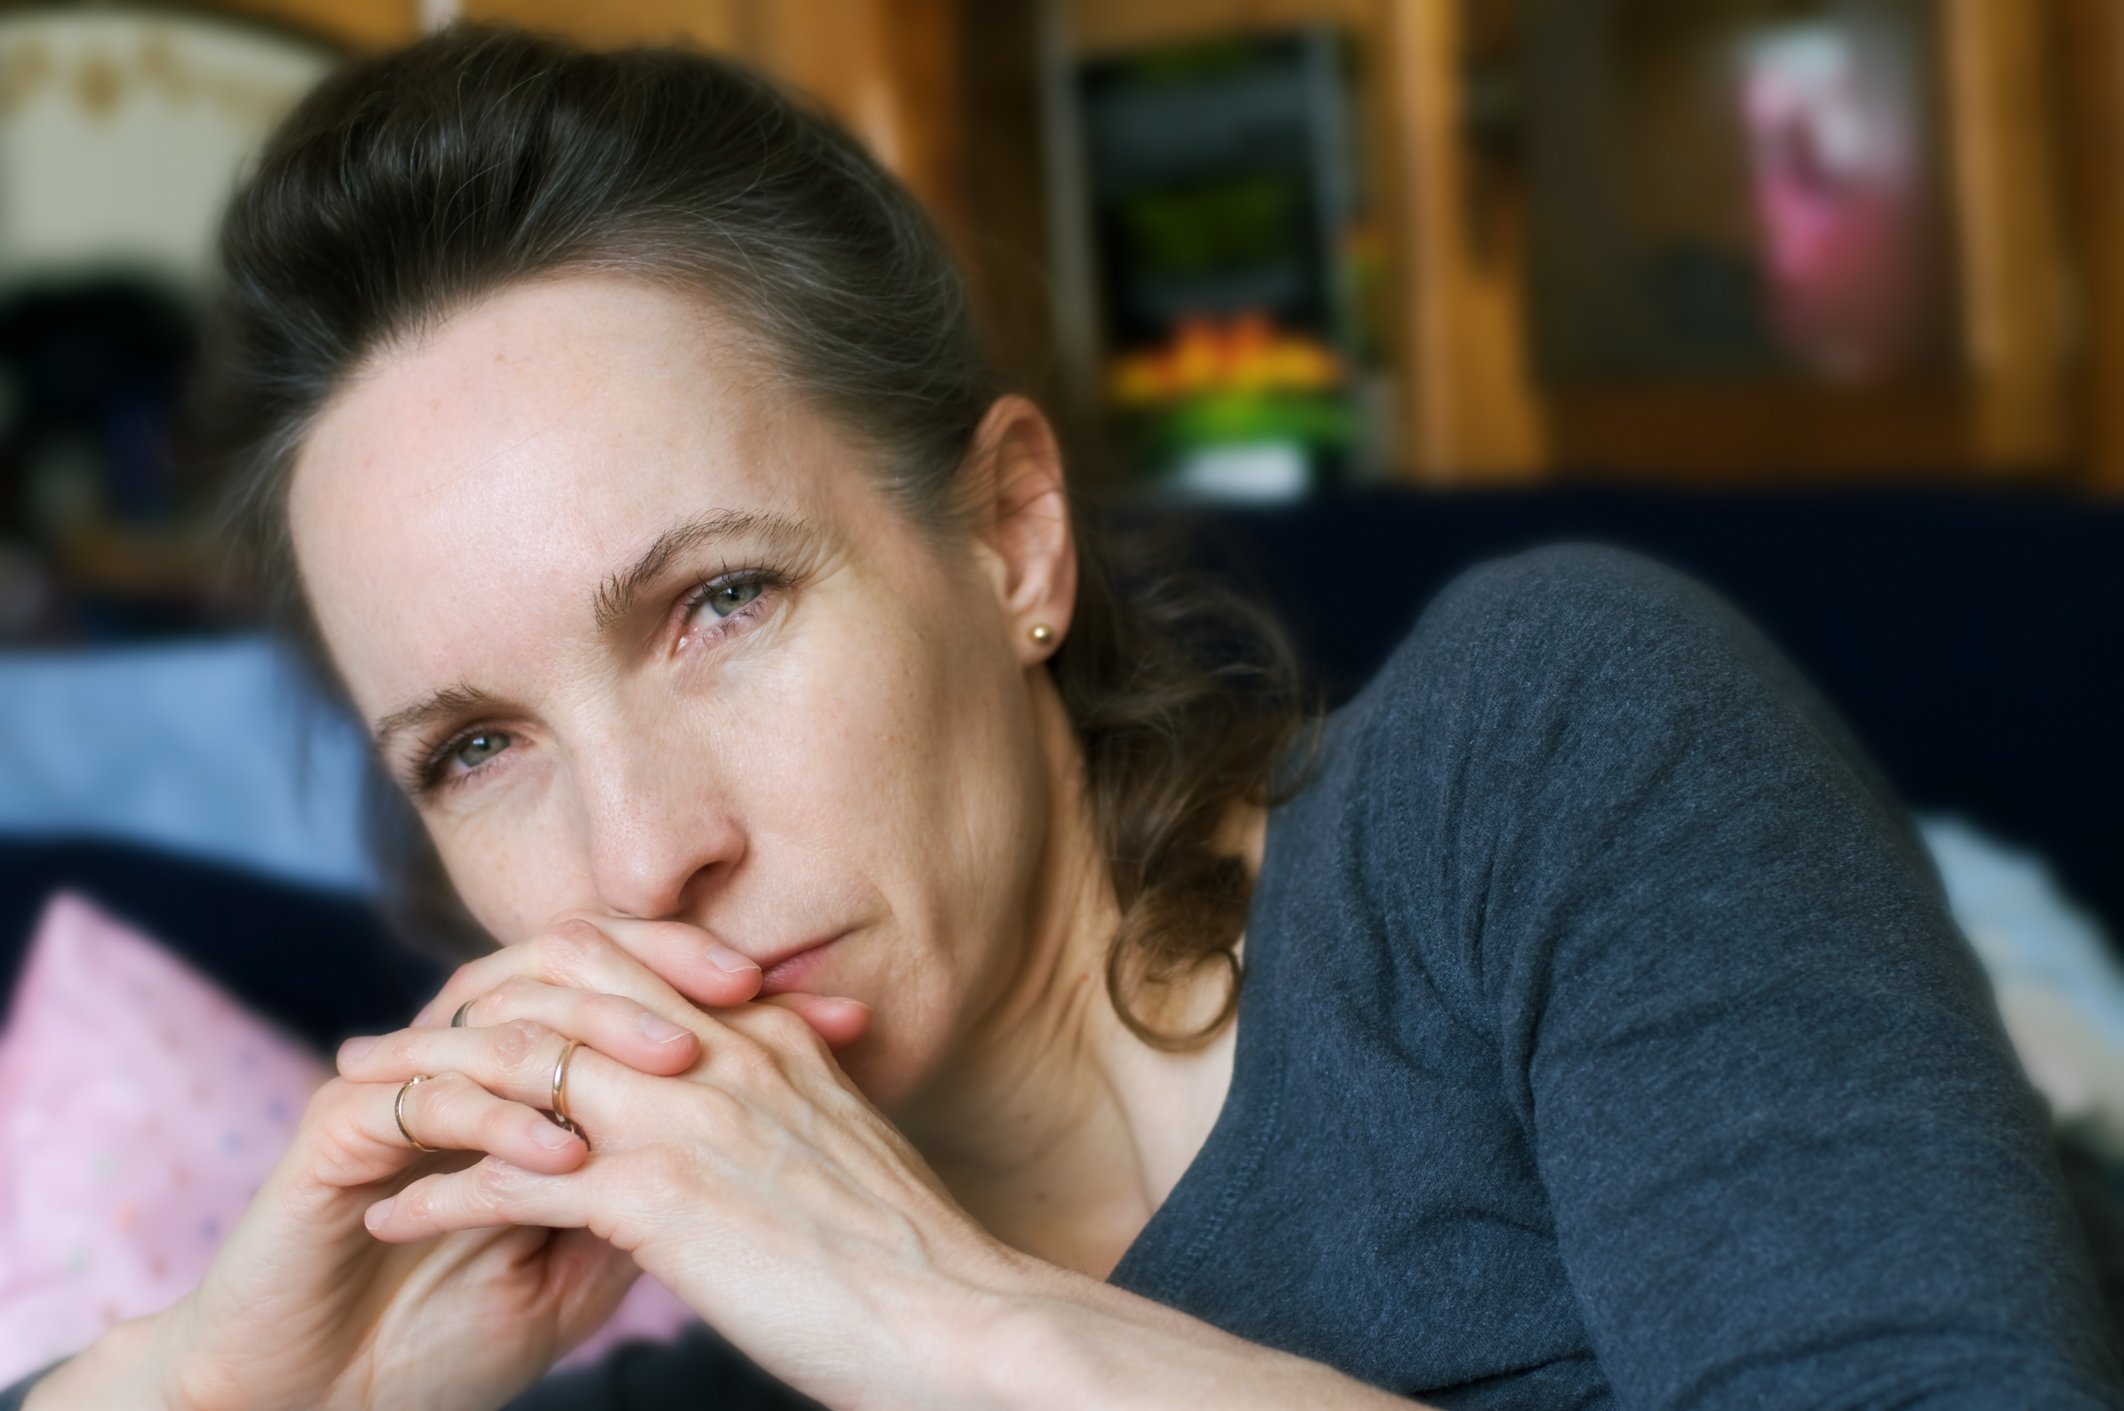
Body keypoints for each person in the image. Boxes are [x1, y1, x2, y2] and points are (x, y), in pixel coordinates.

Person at [12, 21, 2122, 1411]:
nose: (644, 851)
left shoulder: (1535, 757)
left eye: (720, 600)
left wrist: (948, 1320)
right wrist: (235, 1380)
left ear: (1013, 536)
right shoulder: (739, 1356)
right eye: (474, 747)